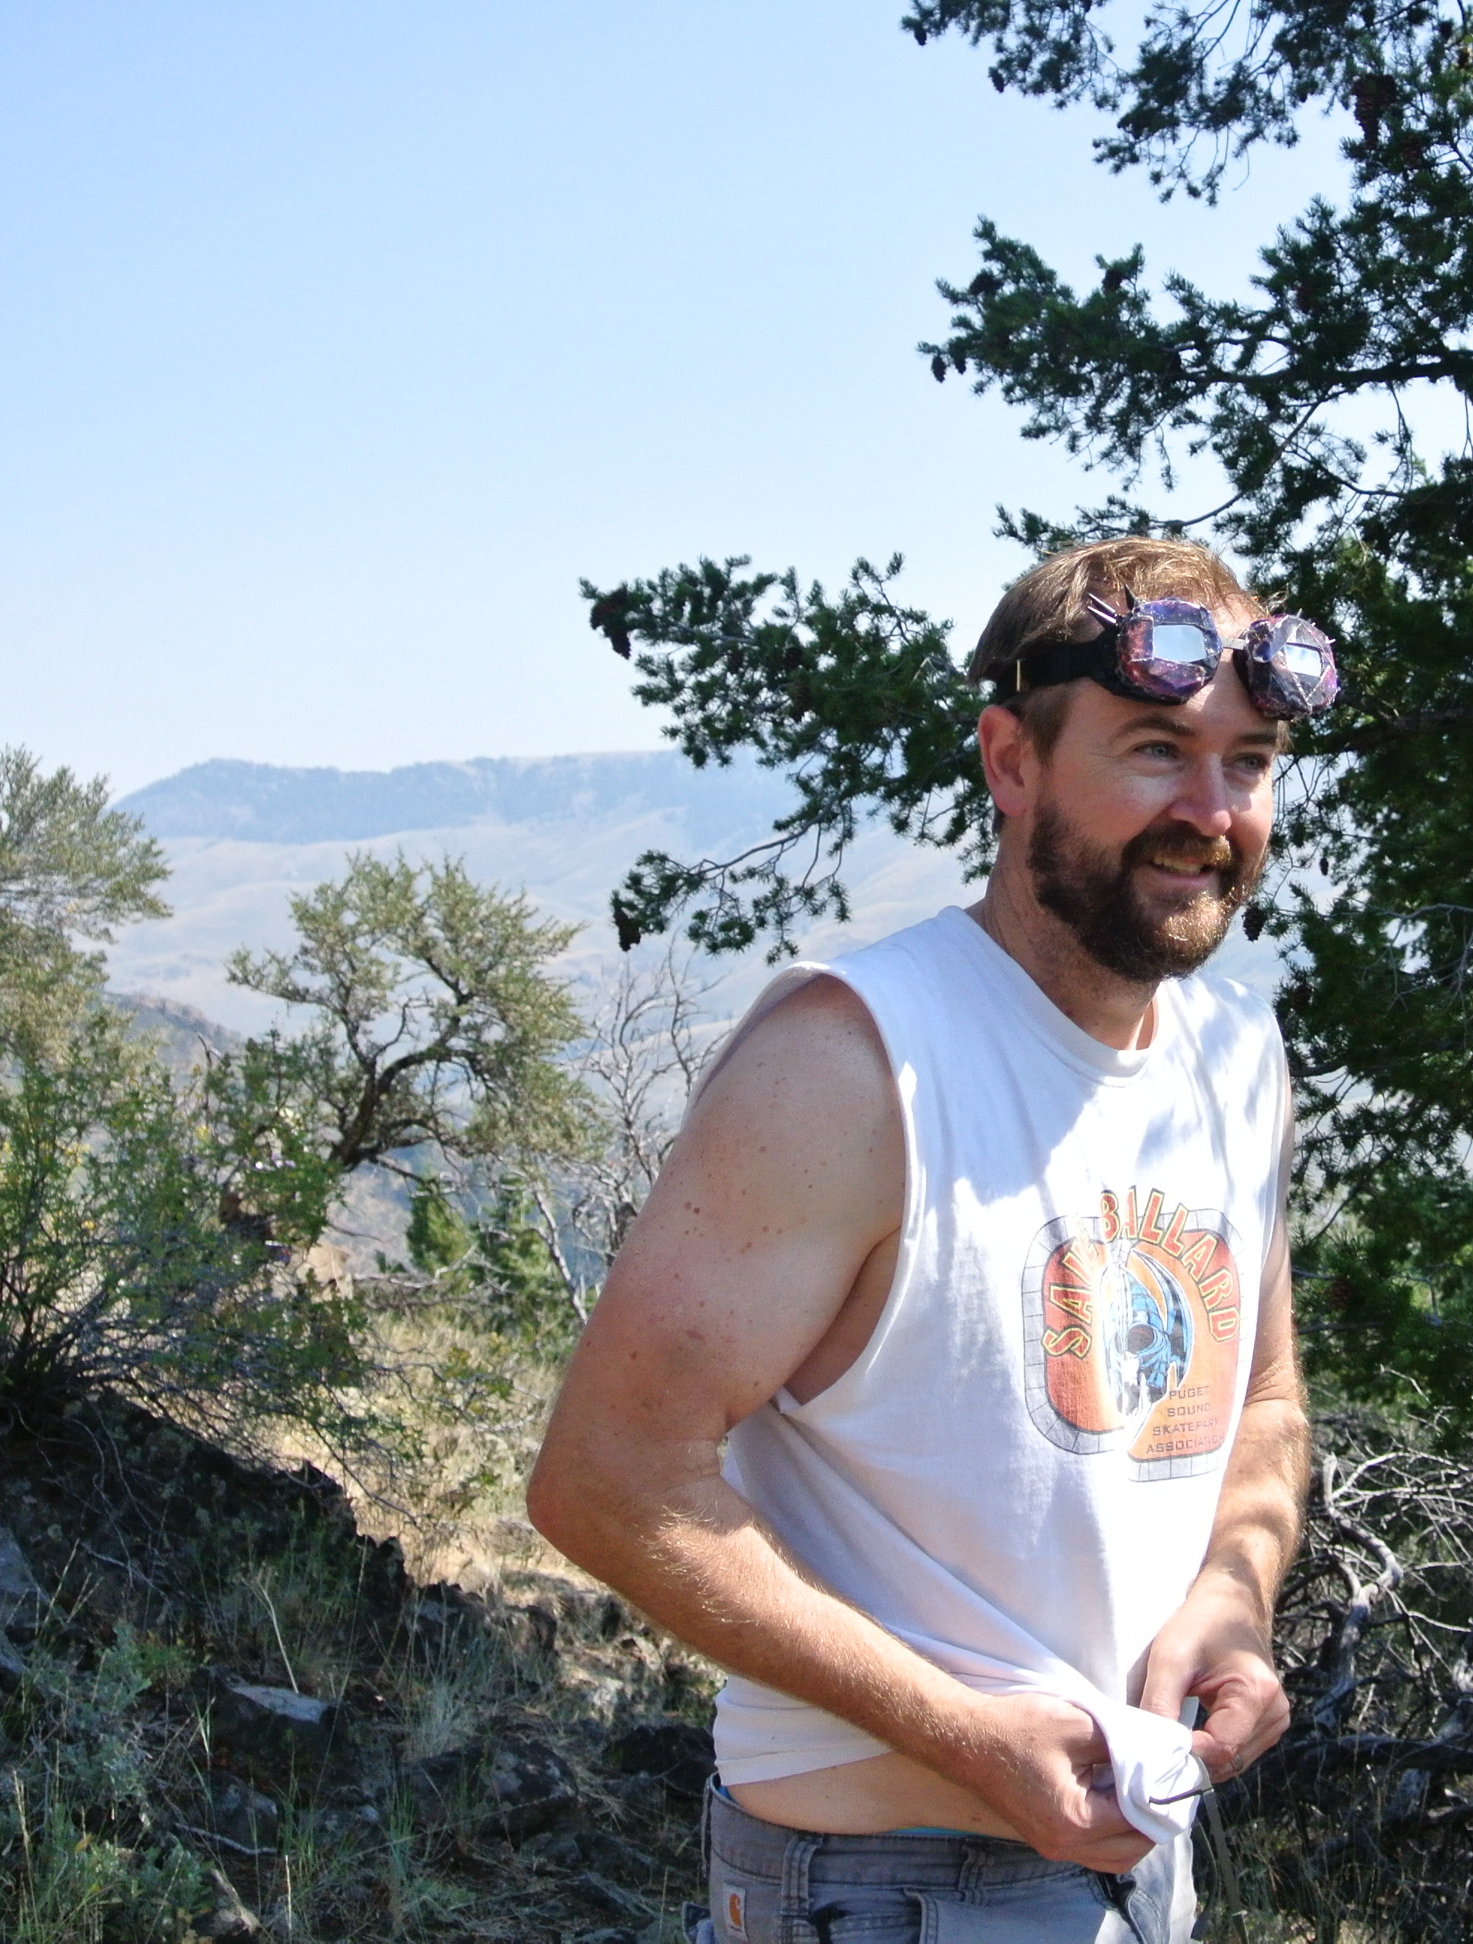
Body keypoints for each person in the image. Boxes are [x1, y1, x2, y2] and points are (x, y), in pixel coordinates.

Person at [528, 534, 1334, 1943]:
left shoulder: (1235, 1054)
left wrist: (1233, 1592)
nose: (1212, 811)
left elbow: (1261, 1401)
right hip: (879, 1888)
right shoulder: (853, 1064)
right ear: (1011, 763)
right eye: (1156, 750)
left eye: (1250, 762)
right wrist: (962, 1735)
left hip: (1142, 1870)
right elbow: (607, 1480)